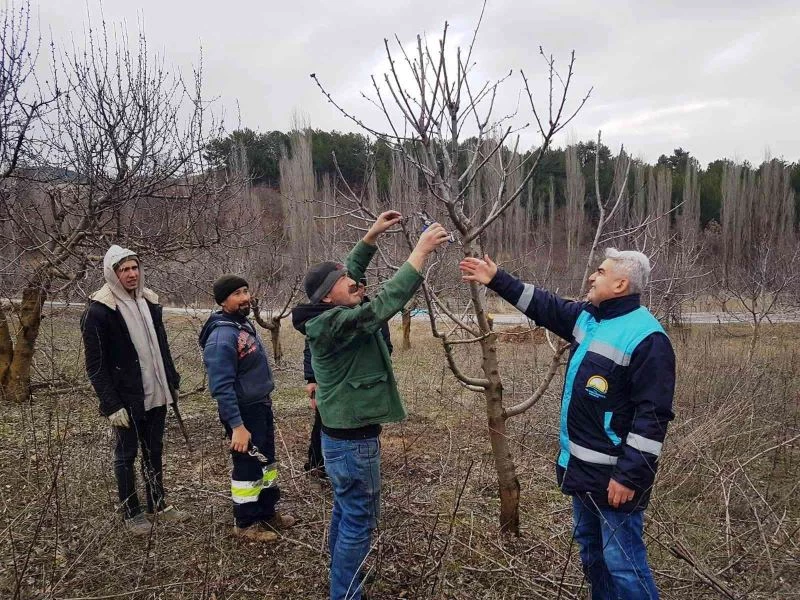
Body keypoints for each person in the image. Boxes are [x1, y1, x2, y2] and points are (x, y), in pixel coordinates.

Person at [460, 249, 675, 600]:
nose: (592, 276)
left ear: (620, 284)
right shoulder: (589, 318)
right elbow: (546, 306)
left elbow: (652, 416)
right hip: (582, 470)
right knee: (592, 554)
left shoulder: (647, 338)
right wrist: (496, 279)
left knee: (624, 564)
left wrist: (629, 476)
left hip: (615, 478)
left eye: (600, 272)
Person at [292, 211, 449, 600]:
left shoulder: (327, 311)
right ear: (328, 296)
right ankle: (346, 592)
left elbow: (352, 278)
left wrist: (370, 238)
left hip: (343, 437)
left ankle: (342, 578)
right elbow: (383, 305)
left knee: (347, 511)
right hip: (352, 443)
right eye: (344, 281)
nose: (355, 282)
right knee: (359, 520)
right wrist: (420, 252)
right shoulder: (333, 324)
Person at [82, 245, 189, 535]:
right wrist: (111, 404)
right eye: (124, 269)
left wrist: (172, 380)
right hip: (126, 398)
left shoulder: (148, 301)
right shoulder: (99, 311)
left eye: (134, 268)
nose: (131, 274)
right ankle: (132, 512)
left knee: (154, 450)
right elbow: (95, 366)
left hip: (157, 391)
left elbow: (161, 347)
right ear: (112, 273)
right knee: (126, 454)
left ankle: (158, 504)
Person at [198, 275, 295, 543]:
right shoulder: (221, 336)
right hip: (243, 412)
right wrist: (237, 426)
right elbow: (221, 387)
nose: (245, 298)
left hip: (259, 405)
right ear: (223, 301)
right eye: (237, 294)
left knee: (266, 462)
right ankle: (245, 522)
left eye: (245, 291)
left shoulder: (241, 324)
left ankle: (267, 512)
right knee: (247, 466)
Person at [300, 282, 393, 483]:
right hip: (333, 385)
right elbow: (312, 348)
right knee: (324, 422)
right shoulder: (330, 317)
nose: (358, 288)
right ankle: (317, 465)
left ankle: (362, 467)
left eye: (361, 285)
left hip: (363, 384)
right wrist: (311, 378)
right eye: (353, 284)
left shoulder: (371, 312)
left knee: (365, 426)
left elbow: (386, 344)